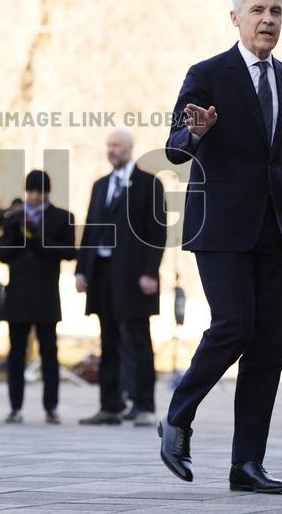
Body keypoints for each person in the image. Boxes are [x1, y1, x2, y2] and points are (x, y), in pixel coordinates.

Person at [159, 0, 282, 494]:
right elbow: (174, 148)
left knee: (267, 348)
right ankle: (177, 417)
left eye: (276, 12)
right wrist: (196, 131)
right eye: (258, 11)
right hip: (221, 226)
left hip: (274, 226)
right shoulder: (207, 74)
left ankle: (247, 465)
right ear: (236, 18)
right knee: (234, 326)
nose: (268, 20)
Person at [76, 130, 166, 428]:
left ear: (129, 148)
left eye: (116, 145)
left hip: (134, 275)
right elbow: (90, 229)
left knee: (138, 340)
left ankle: (144, 405)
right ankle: (110, 406)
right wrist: (81, 270)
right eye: (109, 145)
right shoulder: (100, 186)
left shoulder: (149, 184)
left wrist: (150, 272)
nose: (111, 150)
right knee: (108, 340)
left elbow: (157, 232)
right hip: (102, 275)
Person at [0, 170, 76, 424]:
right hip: (18, 295)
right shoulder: (14, 217)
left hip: (46, 294)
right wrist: (13, 230)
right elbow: (2, 254)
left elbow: (69, 251)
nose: (34, 197)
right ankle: (15, 407)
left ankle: (51, 407)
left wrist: (37, 238)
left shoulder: (62, 217)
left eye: (39, 192)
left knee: (49, 352)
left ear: (47, 193)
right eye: (31, 192)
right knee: (16, 353)